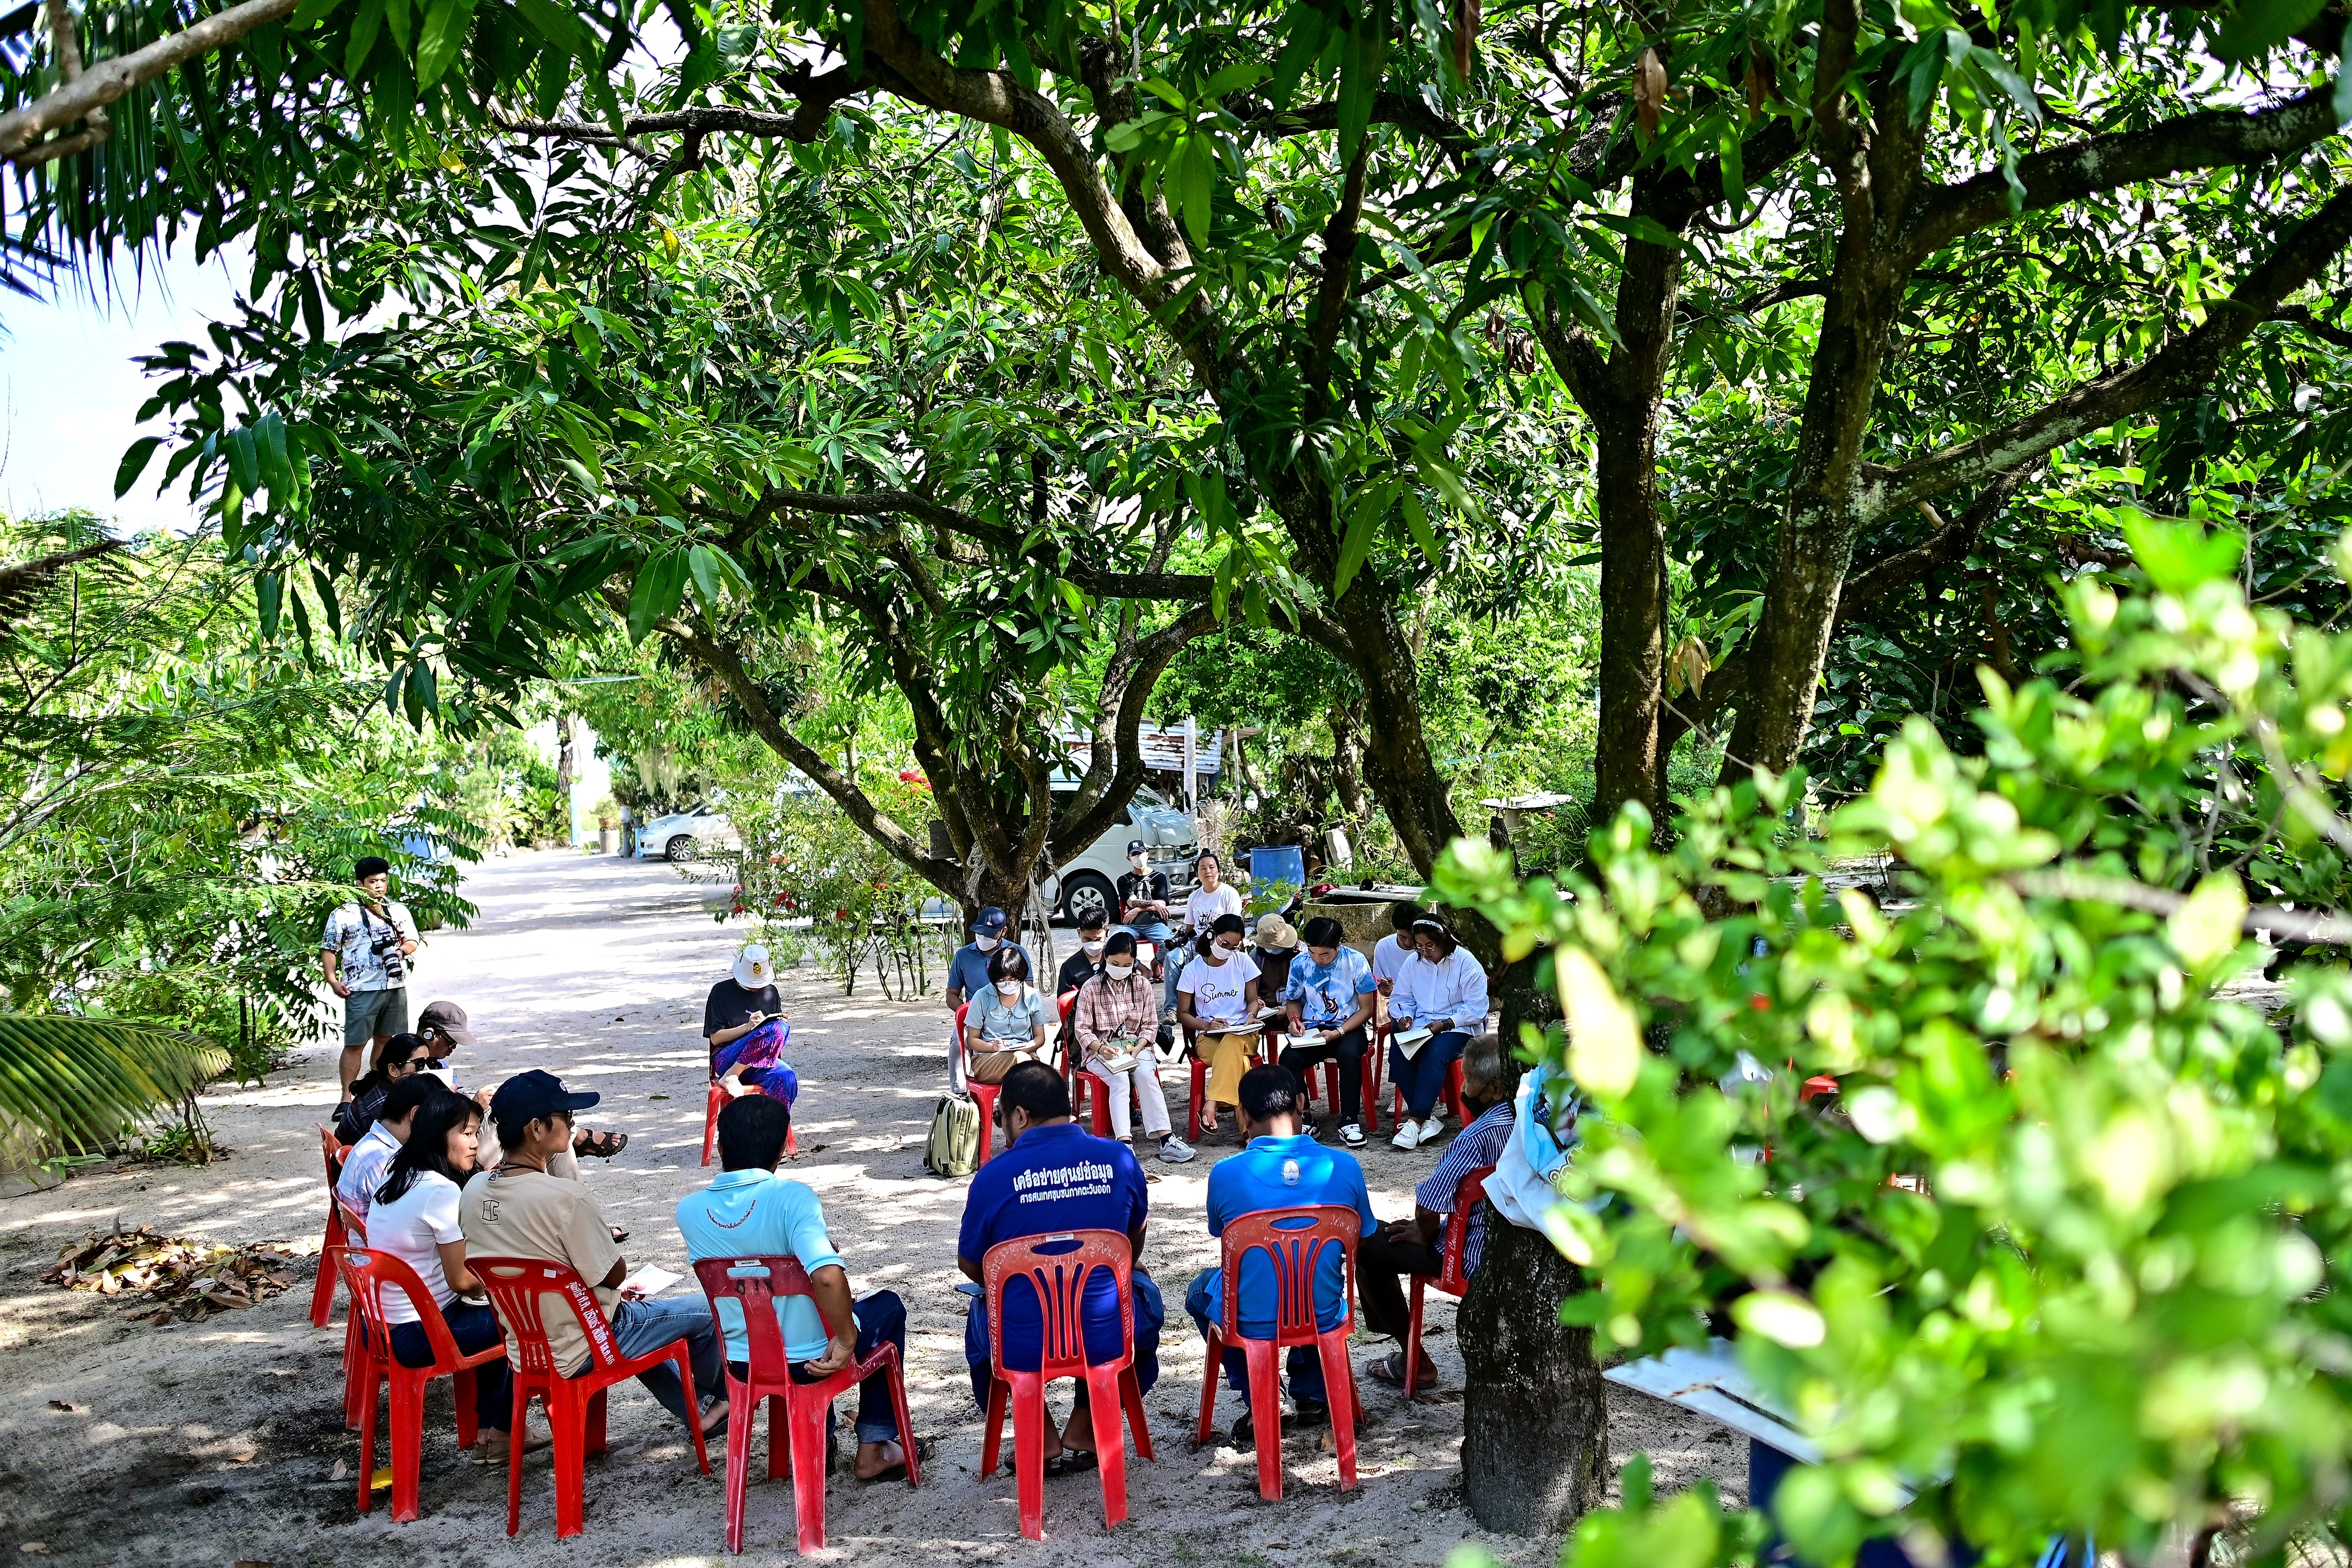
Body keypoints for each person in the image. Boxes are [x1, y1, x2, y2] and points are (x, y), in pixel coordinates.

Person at [460, 1071, 730, 1439]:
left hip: (524, 1346)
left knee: (637, 1320)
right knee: (708, 1310)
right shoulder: (566, 1199)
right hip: (585, 1341)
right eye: (567, 1117)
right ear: (537, 1128)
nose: (574, 1126)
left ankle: (698, 1409)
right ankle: (722, 1399)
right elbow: (614, 1275)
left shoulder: (474, 1189)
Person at [676, 1095, 919, 1481]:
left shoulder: (688, 1210)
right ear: (779, 1154)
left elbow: (748, 1259)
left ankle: (820, 1440)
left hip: (744, 1362)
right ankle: (874, 1447)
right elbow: (826, 1276)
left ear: (721, 1147)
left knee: (814, 1314)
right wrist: (845, 1339)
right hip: (809, 1360)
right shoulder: (792, 1198)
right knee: (888, 1307)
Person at [956, 1062, 1164, 1473]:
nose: (1001, 1128)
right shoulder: (1119, 1159)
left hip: (1021, 1340)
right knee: (1147, 1297)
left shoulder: (993, 1177)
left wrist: (1017, 1287)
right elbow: (1132, 1237)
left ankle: (1039, 1428)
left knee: (981, 1328)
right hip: (1109, 1332)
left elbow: (971, 1264)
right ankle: (1089, 1420)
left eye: (1000, 1118)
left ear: (1019, 1116)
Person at [1186, 1064, 1376, 1440]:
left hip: (1252, 1317)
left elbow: (1221, 1234)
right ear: (1302, 1104)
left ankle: (1260, 1397)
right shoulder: (1345, 1165)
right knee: (1309, 1271)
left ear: (1243, 1115)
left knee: (1202, 1290)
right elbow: (1364, 1236)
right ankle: (1312, 1391)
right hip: (1322, 1312)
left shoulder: (1225, 1174)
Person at [1356, 1034, 1522, 1387]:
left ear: (1493, 1088)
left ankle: (1413, 1358)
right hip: (1524, 1248)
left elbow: (1430, 1203)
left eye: (1469, 1080)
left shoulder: (1477, 1136)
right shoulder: (1534, 1126)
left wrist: (1423, 1231)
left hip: (1471, 1256)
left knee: (1368, 1243)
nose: (1463, 1087)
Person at [368, 1088, 519, 1463]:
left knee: (494, 1314)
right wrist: (508, 1282)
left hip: (385, 1329)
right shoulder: (440, 1191)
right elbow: (463, 1281)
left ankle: (490, 1431)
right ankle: (501, 1430)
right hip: (421, 1333)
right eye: (467, 1134)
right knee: (522, 1317)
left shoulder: (396, 1177)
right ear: (439, 1134)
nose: (476, 1144)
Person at [424, 998, 628, 1158]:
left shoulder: (440, 1064)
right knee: (534, 1123)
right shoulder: (410, 1065)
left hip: (470, 1128)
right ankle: (579, 1139)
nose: (454, 1048)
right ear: (429, 1034)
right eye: (451, 1042)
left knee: (554, 1146)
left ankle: (570, 1194)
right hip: (458, 1139)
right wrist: (476, 1106)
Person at [1068, 932, 1194, 1162]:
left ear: (1134, 963)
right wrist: (1100, 1048)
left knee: (1146, 1074)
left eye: (1127, 965)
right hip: (1102, 1051)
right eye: (1115, 964)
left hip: (1136, 1047)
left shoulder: (1142, 984)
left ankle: (1166, 1139)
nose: (1120, 969)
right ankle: (1124, 1143)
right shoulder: (1091, 987)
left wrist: (1139, 1046)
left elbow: (1151, 1024)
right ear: (1106, 958)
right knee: (1119, 1079)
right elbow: (1083, 1029)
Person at [323, 855, 421, 1109]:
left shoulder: (398, 910)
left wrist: (400, 952)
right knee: (355, 1044)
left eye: (383, 880)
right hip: (361, 987)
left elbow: (412, 940)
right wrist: (333, 980)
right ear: (359, 883)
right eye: (373, 881)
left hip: (394, 985)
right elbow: (330, 948)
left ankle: (378, 1090)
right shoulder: (343, 914)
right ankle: (346, 1096)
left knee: (387, 1041)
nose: (379, 886)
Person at [1388, 917, 1491, 1151]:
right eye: (1419, 946)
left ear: (1443, 941)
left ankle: (1414, 1121)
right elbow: (1401, 999)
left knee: (1435, 1054)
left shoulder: (1466, 962)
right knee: (1397, 1054)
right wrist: (1405, 1016)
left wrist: (1445, 1023)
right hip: (1421, 1025)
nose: (1424, 952)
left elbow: (1477, 1009)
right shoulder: (1413, 963)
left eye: (1430, 947)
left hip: (1459, 1026)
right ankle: (1426, 1118)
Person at [1279, 916, 1379, 1148]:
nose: (1318, 959)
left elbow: (1367, 1009)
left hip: (1348, 1027)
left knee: (1349, 1055)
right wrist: (1294, 1021)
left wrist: (1340, 1032)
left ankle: (1350, 1121)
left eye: (1324, 955)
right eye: (1313, 953)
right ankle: (1305, 1117)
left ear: (1338, 947)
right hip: (1313, 1030)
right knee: (1288, 1059)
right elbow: (1293, 1002)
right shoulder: (1300, 963)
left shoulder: (1356, 961)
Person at [1177, 912, 1260, 1139]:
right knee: (1240, 1062)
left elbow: (1253, 1001)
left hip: (1244, 1032)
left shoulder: (1242, 961)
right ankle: (1248, 1131)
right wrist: (1207, 1025)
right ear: (1212, 935)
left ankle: (1211, 1104)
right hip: (1210, 1036)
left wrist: (1251, 1016)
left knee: (1234, 1041)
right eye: (1225, 943)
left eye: (1235, 946)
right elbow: (1182, 1014)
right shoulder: (1193, 969)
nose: (1229, 950)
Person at [336, 1072, 446, 1225]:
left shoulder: (375, 1144)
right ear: (416, 1114)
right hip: (379, 1246)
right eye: (439, 1120)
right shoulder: (385, 1161)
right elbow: (409, 1220)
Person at [963, 946, 1051, 1084]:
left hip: (1027, 1055)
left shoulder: (1032, 996)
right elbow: (972, 1041)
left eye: (1013, 980)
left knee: (1026, 1064)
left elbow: (1040, 1037)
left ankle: (1011, 1102)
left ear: (1021, 977)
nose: (1008, 984)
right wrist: (992, 1047)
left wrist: (1027, 1048)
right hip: (990, 1059)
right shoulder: (982, 996)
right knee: (1025, 1065)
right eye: (1002, 980)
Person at [1114, 841, 1179, 1024]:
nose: (1139, 858)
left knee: (1174, 945)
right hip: (1132, 926)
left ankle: (1156, 961)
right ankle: (1140, 968)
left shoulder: (1159, 877)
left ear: (1148, 854)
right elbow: (1130, 903)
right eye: (1134, 855)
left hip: (1155, 924)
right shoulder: (1124, 880)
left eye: (1141, 853)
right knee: (1114, 941)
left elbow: (1163, 904)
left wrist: (1139, 909)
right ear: (1129, 858)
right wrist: (1145, 907)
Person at [337, 1032, 429, 1144]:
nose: (427, 1070)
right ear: (393, 1070)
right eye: (420, 1064)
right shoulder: (385, 1107)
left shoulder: (383, 1088)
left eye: (429, 1062)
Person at [945, 907, 1030, 1013]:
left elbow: (1028, 991)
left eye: (989, 934)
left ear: (1004, 931)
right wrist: (966, 1012)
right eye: (980, 933)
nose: (984, 937)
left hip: (1013, 1016)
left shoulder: (1018, 953)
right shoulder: (962, 956)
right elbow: (951, 995)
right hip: (976, 1015)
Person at [1369, 901, 1424, 1004]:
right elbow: (1383, 991)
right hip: (1400, 1008)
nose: (1408, 943)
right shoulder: (1383, 948)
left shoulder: (1428, 950)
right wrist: (1386, 989)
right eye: (1402, 937)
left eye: (1413, 938)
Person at [1056, 910, 1112, 997]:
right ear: (1079, 933)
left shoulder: (1118, 960)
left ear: (1107, 932)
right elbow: (1064, 1001)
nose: (1093, 944)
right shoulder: (1069, 967)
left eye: (1098, 939)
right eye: (1088, 939)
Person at [1248, 913, 1300, 1001]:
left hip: (1293, 1004)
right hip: (1265, 1007)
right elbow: (1250, 990)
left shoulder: (1300, 956)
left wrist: (1288, 1008)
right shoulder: (1256, 956)